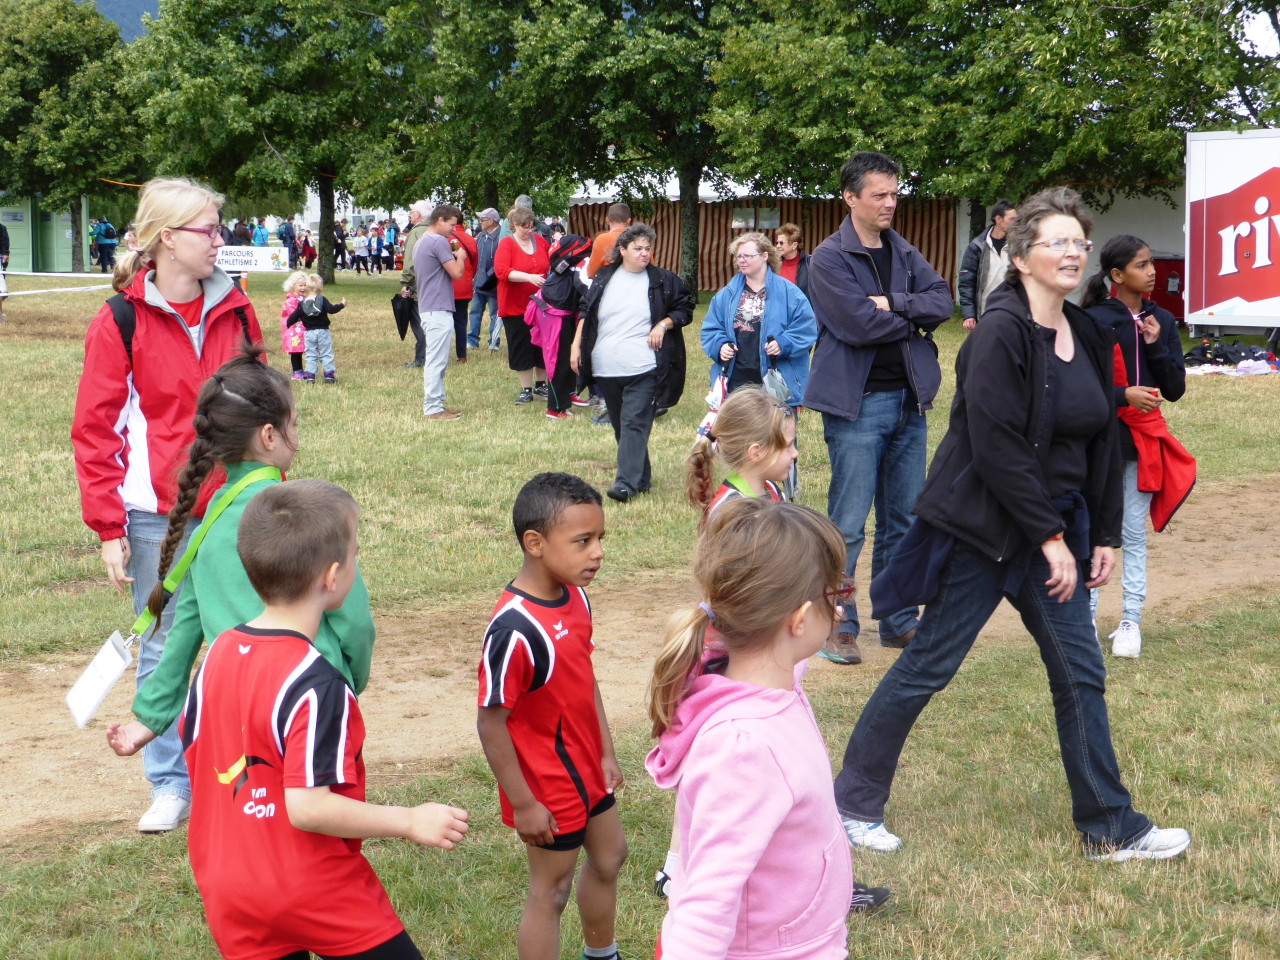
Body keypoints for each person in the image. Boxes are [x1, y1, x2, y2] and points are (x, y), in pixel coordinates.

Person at [833, 187, 1192, 864]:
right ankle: (850, 805)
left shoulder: (1087, 332)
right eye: (1057, 242)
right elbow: (997, 446)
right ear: (1022, 256)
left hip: (1051, 536)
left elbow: (1099, 438)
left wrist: (1103, 535)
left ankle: (1110, 826)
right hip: (985, 532)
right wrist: (1050, 538)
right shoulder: (999, 333)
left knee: (1080, 672)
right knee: (929, 666)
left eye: (1079, 243)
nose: (1073, 253)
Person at [173, 479, 468, 960]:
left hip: (229, 886)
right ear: (333, 577)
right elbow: (308, 808)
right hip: (310, 887)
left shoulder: (218, 653)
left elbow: (200, 754)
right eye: (355, 555)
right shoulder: (317, 683)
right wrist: (411, 820)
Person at [71, 176, 265, 833]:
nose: (220, 240)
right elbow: (96, 429)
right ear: (167, 240)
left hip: (238, 505)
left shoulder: (238, 309)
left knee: (249, 640)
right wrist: (109, 526)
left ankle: (252, 772)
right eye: (209, 230)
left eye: (219, 228)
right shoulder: (119, 321)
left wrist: (267, 488)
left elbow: (265, 406)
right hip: (158, 517)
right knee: (161, 647)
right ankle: (170, 783)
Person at [105, 344, 377, 774]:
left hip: (237, 710)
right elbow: (355, 622)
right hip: (311, 694)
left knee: (251, 804)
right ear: (269, 436)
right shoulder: (304, 513)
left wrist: (150, 719)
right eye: (293, 424)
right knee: (321, 802)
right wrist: (346, 679)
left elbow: (185, 626)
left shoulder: (209, 521)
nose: (297, 435)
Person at [647, 498, 889, 960]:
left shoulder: (775, 681)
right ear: (798, 619)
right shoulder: (744, 748)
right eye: (837, 595)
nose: (841, 611)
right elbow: (704, 910)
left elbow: (786, 655)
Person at [805, 151, 954, 665]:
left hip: (911, 402)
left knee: (904, 520)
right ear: (850, 198)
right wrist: (912, 318)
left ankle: (898, 619)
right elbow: (856, 325)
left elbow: (943, 301)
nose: (890, 203)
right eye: (879, 195)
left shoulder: (904, 251)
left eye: (894, 194)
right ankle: (837, 624)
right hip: (857, 406)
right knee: (847, 525)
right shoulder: (828, 258)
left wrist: (896, 304)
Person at [476, 473, 627, 960]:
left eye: (600, 538)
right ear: (535, 543)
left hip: (586, 763)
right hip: (546, 779)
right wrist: (523, 804)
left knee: (611, 856)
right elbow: (491, 723)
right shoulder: (514, 630)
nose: (598, 552)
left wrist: (605, 751)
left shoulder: (576, 596)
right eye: (583, 541)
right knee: (551, 889)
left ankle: (602, 954)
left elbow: (584, 678)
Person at [1082, 234, 1192, 659]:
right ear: (1117, 274)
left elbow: (1175, 389)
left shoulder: (1161, 318)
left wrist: (1156, 346)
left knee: (1131, 532)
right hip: (1098, 442)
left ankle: (1131, 620)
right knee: (1093, 530)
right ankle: (1087, 618)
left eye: (1151, 263)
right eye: (1141, 265)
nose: (1152, 272)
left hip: (1142, 442)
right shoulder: (1093, 319)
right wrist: (1122, 395)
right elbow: (1079, 387)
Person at [572, 223, 695, 502]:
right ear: (622, 250)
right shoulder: (604, 276)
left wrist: (663, 324)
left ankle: (625, 483)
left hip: (645, 366)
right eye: (637, 248)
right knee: (621, 426)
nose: (644, 253)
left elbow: (685, 308)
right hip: (606, 365)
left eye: (647, 248)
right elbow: (586, 310)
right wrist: (575, 345)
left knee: (634, 422)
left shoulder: (663, 280)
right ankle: (642, 478)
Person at [686, 385, 795, 520]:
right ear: (756, 453)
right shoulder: (731, 512)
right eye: (788, 446)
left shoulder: (772, 490)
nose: (795, 453)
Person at [413, 203, 467, 421]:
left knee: (438, 359)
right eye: (452, 224)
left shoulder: (422, 240)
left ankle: (437, 403)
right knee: (436, 361)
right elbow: (457, 274)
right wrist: (460, 257)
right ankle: (433, 408)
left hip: (430, 307)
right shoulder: (437, 241)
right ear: (440, 220)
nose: (454, 229)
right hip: (437, 308)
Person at [495, 206, 551, 404]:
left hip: (540, 305)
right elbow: (502, 271)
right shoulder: (506, 244)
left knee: (542, 344)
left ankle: (541, 384)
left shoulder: (541, 242)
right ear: (515, 225)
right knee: (521, 345)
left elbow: (550, 263)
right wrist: (528, 277)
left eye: (532, 227)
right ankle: (526, 389)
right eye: (525, 227)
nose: (529, 230)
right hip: (515, 305)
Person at [958, 200, 1018, 331]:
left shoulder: (1018, 246)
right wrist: (969, 315)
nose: (1016, 223)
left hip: (1013, 309)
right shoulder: (977, 246)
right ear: (998, 219)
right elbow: (966, 282)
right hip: (985, 311)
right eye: (1012, 219)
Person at [288, 274, 347, 384]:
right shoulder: (322, 299)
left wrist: (288, 323)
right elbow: (332, 309)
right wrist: (342, 305)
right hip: (323, 332)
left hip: (309, 333)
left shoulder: (302, 303)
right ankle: (329, 376)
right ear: (321, 288)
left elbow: (294, 316)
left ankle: (310, 376)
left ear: (307, 288)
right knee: (326, 353)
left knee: (311, 354)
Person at [399, 202, 432, 367]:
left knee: (419, 323)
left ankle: (421, 358)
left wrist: (405, 282)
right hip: (434, 284)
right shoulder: (434, 230)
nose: (409, 215)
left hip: (419, 284)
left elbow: (410, 261)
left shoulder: (416, 232)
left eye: (411, 212)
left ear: (418, 214)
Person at [469, 208, 503, 351]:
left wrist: (489, 276)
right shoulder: (482, 235)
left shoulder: (501, 236)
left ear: (491, 221)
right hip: (479, 282)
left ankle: (493, 342)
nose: (480, 222)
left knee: (494, 314)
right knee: (475, 312)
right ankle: (472, 341)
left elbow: (500, 262)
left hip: (493, 283)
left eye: (483, 220)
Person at [451, 219, 478, 362]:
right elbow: (475, 264)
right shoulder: (470, 239)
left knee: (444, 322)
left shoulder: (444, 238)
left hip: (448, 286)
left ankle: (443, 353)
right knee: (461, 322)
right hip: (464, 285)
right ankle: (462, 355)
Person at [587, 203, 631, 279]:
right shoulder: (640, 239)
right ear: (629, 220)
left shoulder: (601, 239)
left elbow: (591, 273)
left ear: (607, 220)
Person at [280, 270, 308, 379]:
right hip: (293, 331)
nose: (303, 288)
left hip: (303, 329)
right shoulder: (291, 300)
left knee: (302, 349)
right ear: (293, 286)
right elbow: (294, 314)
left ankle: (302, 370)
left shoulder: (305, 298)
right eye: (300, 285)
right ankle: (296, 371)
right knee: (295, 351)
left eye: (305, 285)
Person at [774, 222, 811, 296]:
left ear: (794, 245)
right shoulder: (773, 263)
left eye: (781, 243)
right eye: (777, 242)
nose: (777, 246)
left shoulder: (809, 263)